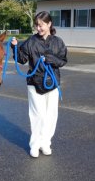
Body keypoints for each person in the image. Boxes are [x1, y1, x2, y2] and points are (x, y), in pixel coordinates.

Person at [11, 11, 67, 158]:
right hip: (34, 82)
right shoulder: (31, 41)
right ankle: (35, 145)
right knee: (38, 115)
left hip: (52, 82)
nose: (39, 28)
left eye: (41, 25)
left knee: (51, 115)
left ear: (49, 24)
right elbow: (22, 59)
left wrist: (52, 59)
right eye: (37, 25)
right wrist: (15, 47)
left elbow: (63, 60)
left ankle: (46, 143)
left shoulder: (58, 42)